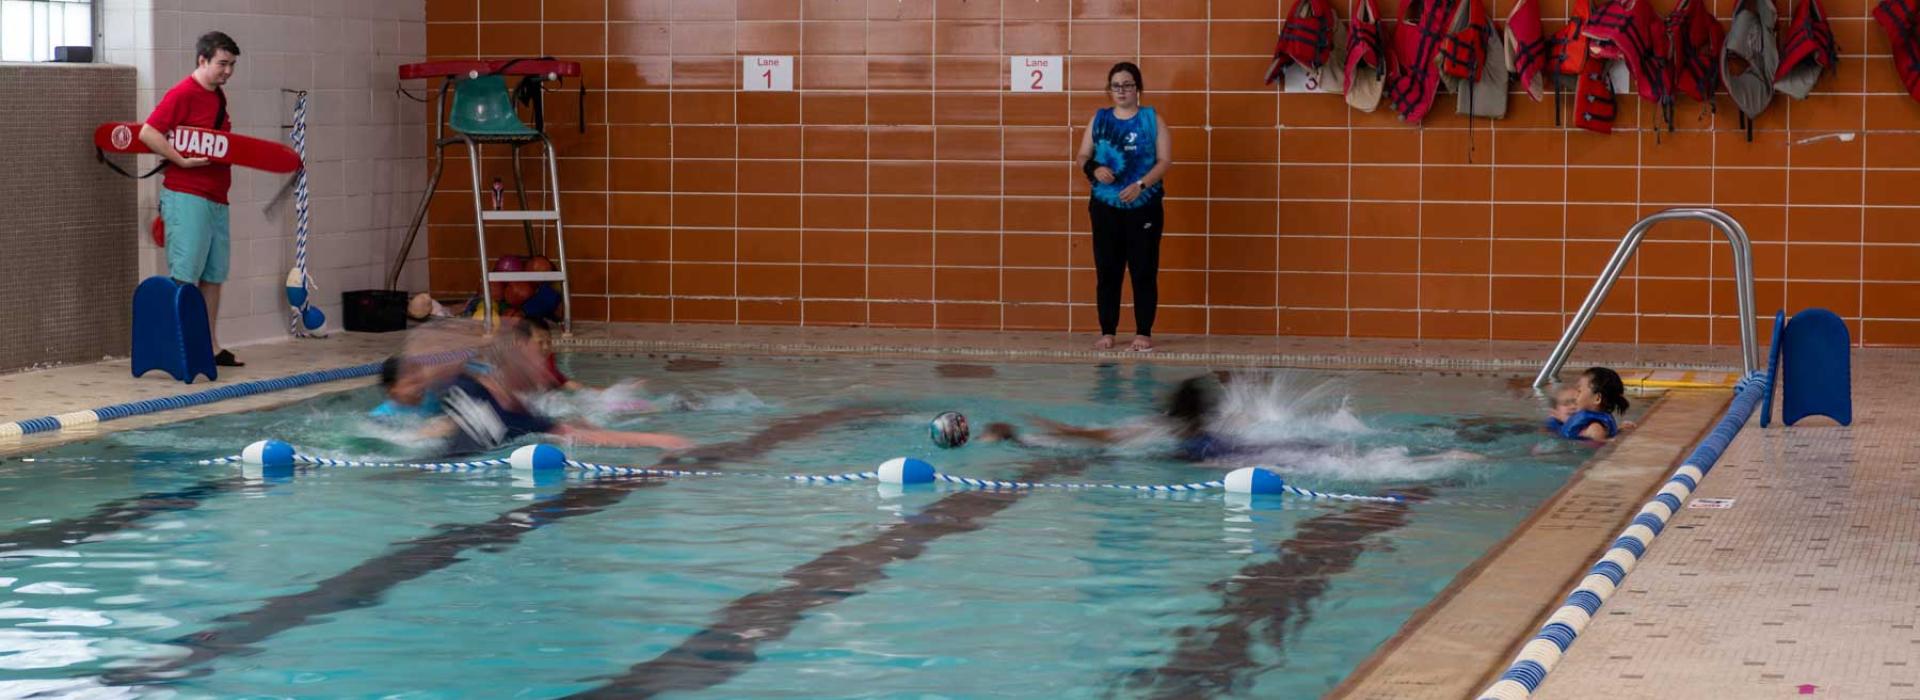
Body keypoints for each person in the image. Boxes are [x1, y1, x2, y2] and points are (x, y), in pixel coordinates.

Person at [416, 320, 691, 456]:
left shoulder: (524, 421)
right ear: (514, 351)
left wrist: (656, 440)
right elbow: (424, 361)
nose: (543, 365)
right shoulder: (461, 384)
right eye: (536, 355)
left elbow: (585, 436)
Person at [141, 31, 244, 367]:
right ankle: (179, 345)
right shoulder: (183, 93)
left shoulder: (218, 97)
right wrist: (180, 159)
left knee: (213, 275)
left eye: (231, 65)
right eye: (222, 64)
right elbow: (148, 131)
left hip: (217, 198)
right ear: (203, 60)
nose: (227, 71)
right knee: (185, 274)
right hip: (187, 195)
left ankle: (209, 346)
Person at [1074, 62, 1172, 353]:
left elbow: (1165, 161)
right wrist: (1094, 168)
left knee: (1143, 269)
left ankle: (1143, 331)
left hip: (1144, 207)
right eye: (1116, 85)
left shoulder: (1151, 119)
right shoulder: (1099, 119)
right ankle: (1108, 331)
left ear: (1138, 88)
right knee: (1108, 271)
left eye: (1128, 85)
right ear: (1109, 89)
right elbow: (1081, 155)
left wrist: (1141, 185)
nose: (1122, 91)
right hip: (1105, 207)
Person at [1554, 367, 1635, 442]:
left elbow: (1600, 448)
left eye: (1579, 391)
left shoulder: (1595, 428)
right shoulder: (1597, 425)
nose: (1575, 396)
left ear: (1597, 398)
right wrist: (1618, 430)